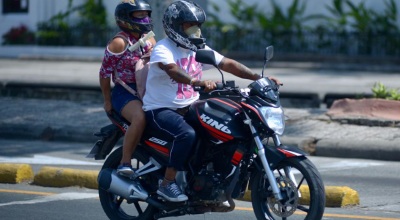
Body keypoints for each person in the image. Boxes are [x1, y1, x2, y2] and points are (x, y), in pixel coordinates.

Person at [142, 0, 282, 202]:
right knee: (186, 134)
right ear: (174, 26)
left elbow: (227, 63)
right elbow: (171, 69)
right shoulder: (164, 48)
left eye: (197, 25)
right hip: (161, 109)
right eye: (188, 25)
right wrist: (194, 81)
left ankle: (213, 179)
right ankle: (167, 183)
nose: (194, 30)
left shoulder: (198, 48)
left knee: (226, 125)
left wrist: (258, 78)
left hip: (189, 106)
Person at [99, 0, 156, 176]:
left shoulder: (149, 38)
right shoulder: (119, 42)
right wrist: (107, 100)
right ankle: (125, 162)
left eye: (146, 14)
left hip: (148, 88)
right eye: (139, 15)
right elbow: (104, 73)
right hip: (125, 91)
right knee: (139, 117)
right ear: (125, 18)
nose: (144, 19)